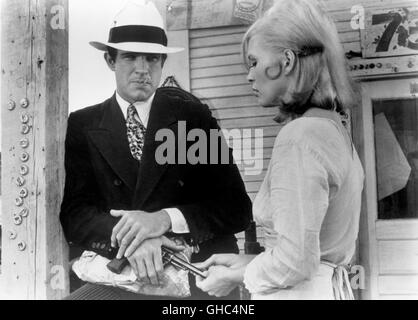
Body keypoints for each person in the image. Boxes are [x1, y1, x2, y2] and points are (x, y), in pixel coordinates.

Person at [60, 0, 252, 300]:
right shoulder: (84, 124)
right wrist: (136, 240)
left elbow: (235, 207)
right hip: (122, 275)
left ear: (162, 62)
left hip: (195, 279)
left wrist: (162, 219)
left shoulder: (193, 119)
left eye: (152, 59)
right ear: (110, 61)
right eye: (130, 57)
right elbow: (76, 214)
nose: (142, 69)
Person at [195, 0, 365, 300]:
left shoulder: (299, 136)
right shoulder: (334, 130)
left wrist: (237, 275)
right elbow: (315, 251)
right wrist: (248, 262)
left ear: (286, 61)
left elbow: (296, 261)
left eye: (254, 62)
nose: (249, 75)